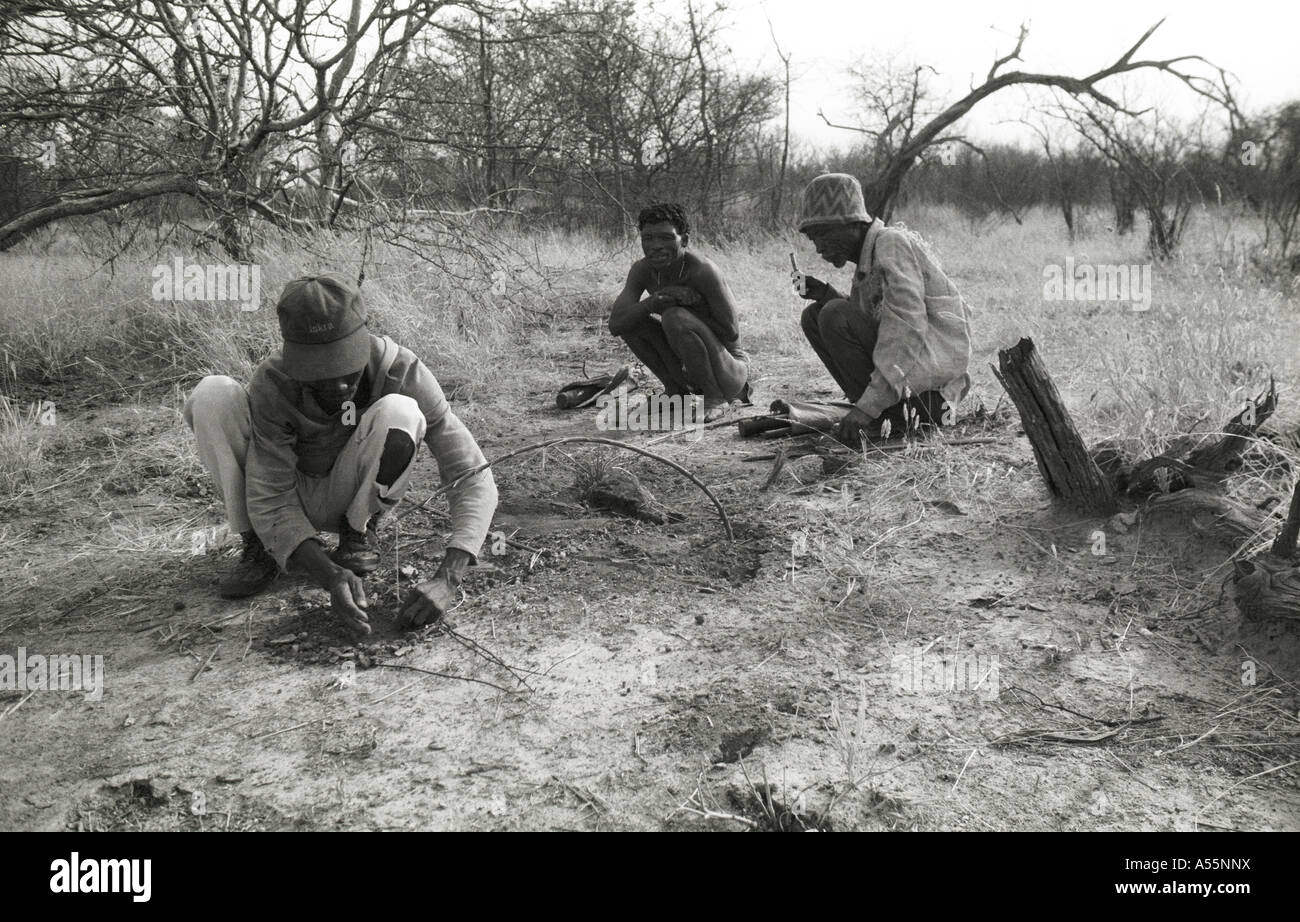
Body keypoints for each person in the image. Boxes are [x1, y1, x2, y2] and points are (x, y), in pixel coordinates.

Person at [182, 274, 498, 636]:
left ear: (365, 339)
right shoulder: (273, 381)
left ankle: (357, 533)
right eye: (319, 373)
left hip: (349, 497)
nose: (338, 386)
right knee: (213, 394)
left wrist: (448, 578)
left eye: (345, 366)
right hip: (287, 500)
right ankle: (259, 546)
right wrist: (329, 575)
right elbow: (270, 494)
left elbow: (472, 472)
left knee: (402, 411)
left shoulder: (402, 370)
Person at [793, 173, 972, 446]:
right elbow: (875, 323)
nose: (818, 248)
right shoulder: (870, 258)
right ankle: (883, 414)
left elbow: (906, 327)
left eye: (823, 234)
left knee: (832, 313)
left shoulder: (890, 243)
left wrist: (867, 407)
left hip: (932, 400)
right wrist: (826, 294)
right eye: (813, 239)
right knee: (816, 314)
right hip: (910, 394)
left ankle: (886, 418)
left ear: (852, 223)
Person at [608, 203, 751, 423]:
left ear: (683, 240)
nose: (655, 246)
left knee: (674, 317)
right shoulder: (642, 270)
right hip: (687, 359)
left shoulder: (703, 270)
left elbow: (730, 333)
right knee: (633, 324)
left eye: (666, 238)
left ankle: (715, 398)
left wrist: (689, 309)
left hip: (729, 370)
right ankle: (676, 393)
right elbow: (616, 325)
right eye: (648, 238)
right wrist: (654, 302)